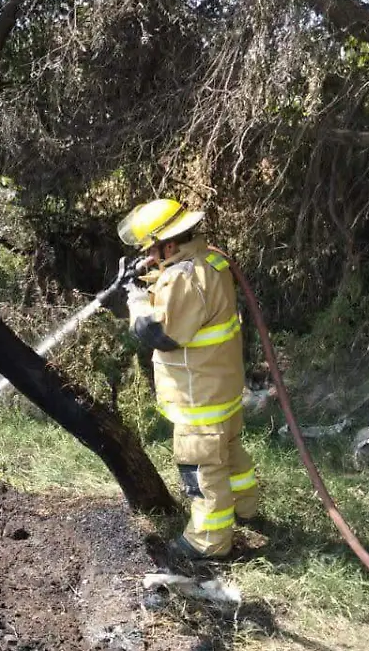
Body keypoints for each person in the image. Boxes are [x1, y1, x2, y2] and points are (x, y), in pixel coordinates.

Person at [117, 198, 260, 561]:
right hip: (222, 386)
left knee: (201, 469)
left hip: (198, 395)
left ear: (168, 244)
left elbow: (160, 332)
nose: (148, 255)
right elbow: (186, 295)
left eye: (150, 248)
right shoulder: (207, 260)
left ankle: (208, 541)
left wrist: (134, 298)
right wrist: (148, 277)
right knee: (229, 455)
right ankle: (245, 508)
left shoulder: (182, 277)